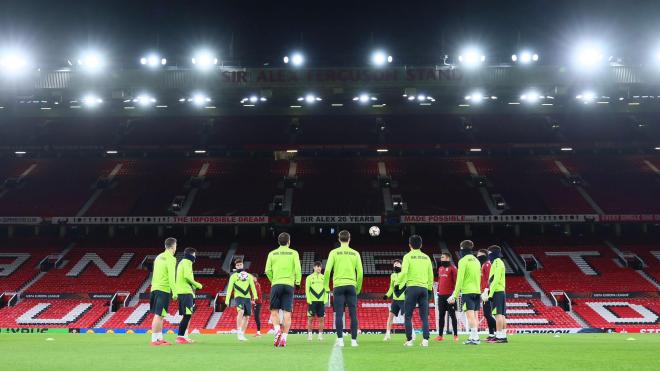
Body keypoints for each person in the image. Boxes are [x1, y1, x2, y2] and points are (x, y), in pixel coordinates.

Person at [324, 230, 363, 348]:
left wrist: (326, 285)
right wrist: (358, 288)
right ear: (349, 239)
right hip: (351, 285)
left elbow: (327, 271)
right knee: (353, 314)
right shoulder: (355, 253)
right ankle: (354, 341)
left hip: (338, 286)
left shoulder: (334, 252)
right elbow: (360, 273)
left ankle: (340, 340)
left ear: (339, 239)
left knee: (339, 314)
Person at [265, 232, 302, 348]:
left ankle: (277, 330)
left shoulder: (272, 253)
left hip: (276, 284)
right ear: (289, 241)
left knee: (274, 311)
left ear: (278, 242)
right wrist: (298, 282)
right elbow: (298, 268)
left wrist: (273, 280)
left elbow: (267, 270)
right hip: (289, 285)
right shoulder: (294, 253)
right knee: (287, 313)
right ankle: (284, 339)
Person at [397, 235, 434, 347]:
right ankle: (425, 340)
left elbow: (404, 273)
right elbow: (430, 275)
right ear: (421, 245)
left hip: (412, 288)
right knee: (424, 316)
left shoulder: (408, 256)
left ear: (409, 245)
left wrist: (398, 283)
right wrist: (429, 289)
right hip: (424, 288)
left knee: (408, 315)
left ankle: (409, 340)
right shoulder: (426, 257)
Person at [448, 240, 482, 345]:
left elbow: (460, 279)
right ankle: (473, 337)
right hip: (477, 291)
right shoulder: (477, 261)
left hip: (467, 291)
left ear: (462, 248)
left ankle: (475, 338)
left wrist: (454, 294)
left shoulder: (463, 261)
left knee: (470, 316)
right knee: (475, 316)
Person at [149, 237, 178, 346]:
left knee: (160, 315)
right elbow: (171, 276)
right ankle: (155, 340)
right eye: (176, 245)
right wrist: (174, 292)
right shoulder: (171, 258)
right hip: (163, 289)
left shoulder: (158, 257)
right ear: (173, 246)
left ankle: (159, 338)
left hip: (154, 288)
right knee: (159, 315)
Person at [225, 258, 258, 341]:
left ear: (243, 265)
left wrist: (255, 296)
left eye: (240, 264)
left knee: (247, 317)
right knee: (241, 311)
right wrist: (227, 299)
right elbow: (229, 288)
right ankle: (238, 331)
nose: (239, 266)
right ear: (235, 266)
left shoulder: (249, 276)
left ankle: (242, 334)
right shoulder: (233, 276)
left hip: (247, 298)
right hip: (238, 297)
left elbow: (252, 286)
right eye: (237, 265)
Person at [175, 247, 203, 344]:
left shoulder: (183, 262)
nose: (195, 257)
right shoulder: (187, 262)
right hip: (185, 292)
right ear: (191, 255)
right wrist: (197, 284)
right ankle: (180, 337)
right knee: (187, 315)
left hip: (186, 291)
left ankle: (185, 336)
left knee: (188, 315)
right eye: (194, 255)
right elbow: (187, 276)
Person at [485, 245, 508, 343]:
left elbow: (495, 279)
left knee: (498, 315)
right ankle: (502, 335)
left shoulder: (497, 263)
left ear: (493, 253)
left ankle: (499, 336)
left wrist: (490, 294)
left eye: (489, 253)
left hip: (497, 292)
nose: (488, 256)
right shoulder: (499, 262)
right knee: (501, 315)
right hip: (500, 291)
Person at [435, 252, 458, 342]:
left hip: (450, 296)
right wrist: (438, 291)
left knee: (452, 315)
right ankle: (440, 336)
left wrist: (454, 296)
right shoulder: (440, 268)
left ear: (448, 258)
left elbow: (457, 282)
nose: (441, 259)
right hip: (441, 296)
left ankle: (455, 335)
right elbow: (440, 281)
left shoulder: (453, 268)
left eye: (443, 257)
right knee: (441, 316)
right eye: (441, 257)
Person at [305, 261, 328, 341]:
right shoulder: (309, 277)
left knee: (321, 319)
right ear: (313, 267)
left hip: (321, 302)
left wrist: (325, 299)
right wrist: (308, 299)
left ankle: (320, 335)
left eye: (320, 266)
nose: (318, 268)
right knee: (310, 319)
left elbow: (326, 289)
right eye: (317, 266)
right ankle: (310, 335)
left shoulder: (324, 277)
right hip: (312, 301)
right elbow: (307, 289)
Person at [383, 259, 405, 341]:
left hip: (403, 299)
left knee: (407, 316)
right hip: (395, 300)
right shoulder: (392, 275)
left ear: (401, 265)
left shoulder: (405, 273)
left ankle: (412, 333)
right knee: (390, 316)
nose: (396, 265)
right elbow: (391, 287)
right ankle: (388, 334)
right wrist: (387, 295)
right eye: (395, 264)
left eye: (398, 264)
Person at [477, 249, 497, 341]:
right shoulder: (484, 264)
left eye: (480, 255)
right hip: (484, 291)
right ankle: (492, 334)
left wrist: (486, 290)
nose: (478, 256)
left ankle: (498, 331)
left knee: (487, 314)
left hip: (487, 292)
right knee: (487, 314)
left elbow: (490, 278)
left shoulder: (487, 264)